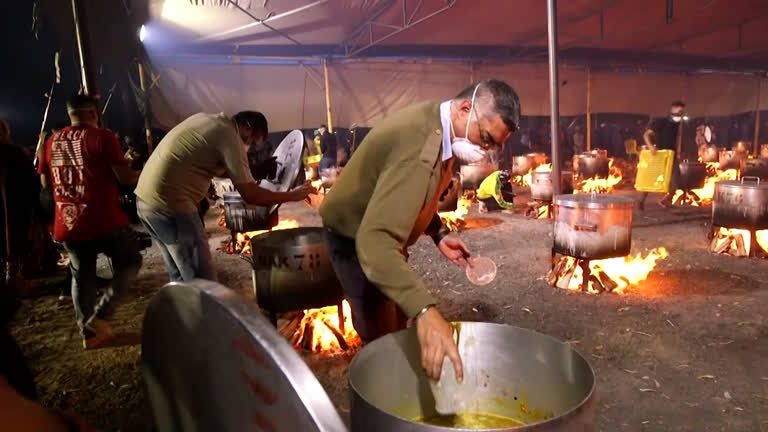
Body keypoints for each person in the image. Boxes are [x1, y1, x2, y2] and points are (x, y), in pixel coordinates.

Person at [320, 80, 519, 382]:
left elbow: (413, 196)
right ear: (465, 108)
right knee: (382, 339)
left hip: (380, 236)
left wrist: (438, 232)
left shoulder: (444, 131)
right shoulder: (419, 146)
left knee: (398, 319)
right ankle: (381, 399)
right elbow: (374, 243)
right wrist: (426, 310)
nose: (486, 150)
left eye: (494, 145)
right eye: (486, 138)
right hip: (353, 238)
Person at [135, 111, 314, 282]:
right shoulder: (230, 137)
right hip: (171, 206)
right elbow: (251, 195)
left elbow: (219, 168)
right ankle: (203, 313)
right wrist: (291, 195)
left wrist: (255, 169)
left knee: (180, 277)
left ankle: (183, 311)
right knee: (202, 280)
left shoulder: (211, 122)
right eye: (252, 142)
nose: (249, 147)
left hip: (146, 202)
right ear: (247, 127)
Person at [37, 95, 143, 349]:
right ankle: (101, 316)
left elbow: (45, 184)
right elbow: (126, 179)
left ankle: (90, 334)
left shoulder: (51, 141)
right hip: (103, 218)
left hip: (68, 221)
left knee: (81, 276)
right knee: (130, 262)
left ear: (70, 113)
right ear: (94, 113)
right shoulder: (102, 137)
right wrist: (143, 171)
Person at [639, 100, 686, 209]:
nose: (680, 114)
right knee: (652, 178)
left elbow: (676, 139)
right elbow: (646, 135)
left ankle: (665, 201)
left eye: (682, 112)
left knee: (675, 182)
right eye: (679, 111)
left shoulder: (677, 124)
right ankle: (641, 201)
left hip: (671, 155)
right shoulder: (661, 122)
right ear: (672, 109)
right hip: (659, 155)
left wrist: (678, 152)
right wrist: (651, 146)